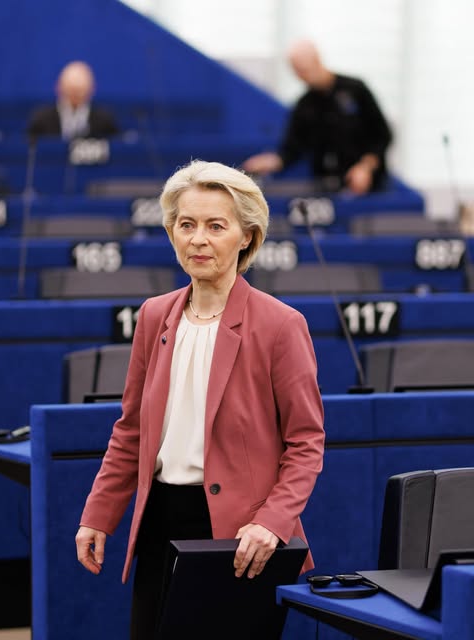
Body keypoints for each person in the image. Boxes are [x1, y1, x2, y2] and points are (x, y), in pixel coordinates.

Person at [75, 160, 325, 639]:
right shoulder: (154, 315)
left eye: (216, 226)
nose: (198, 240)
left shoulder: (280, 324)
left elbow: (306, 443)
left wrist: (271, 523)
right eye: (186, 225)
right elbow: (131, 430)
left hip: (242, 536)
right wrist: (98, 514)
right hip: (160, 521)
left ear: (246, 236)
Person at [242, 39, 393, 195]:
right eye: (298, 71)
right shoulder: (304, 105)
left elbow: (383, 135)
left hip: (368, 188)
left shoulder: (355, 90)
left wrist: (365, 167)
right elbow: (292, 149)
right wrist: (272, 161)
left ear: (317, 60)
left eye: (305, 69)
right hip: (327, 185)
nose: (303, 76)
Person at [27, 60, 120, 140]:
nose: (75, 96)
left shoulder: (104, 121)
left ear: (92, 89)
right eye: (70, 90)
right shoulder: (41, 119)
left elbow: (117, 147)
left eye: (80, 91)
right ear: (58, 88)